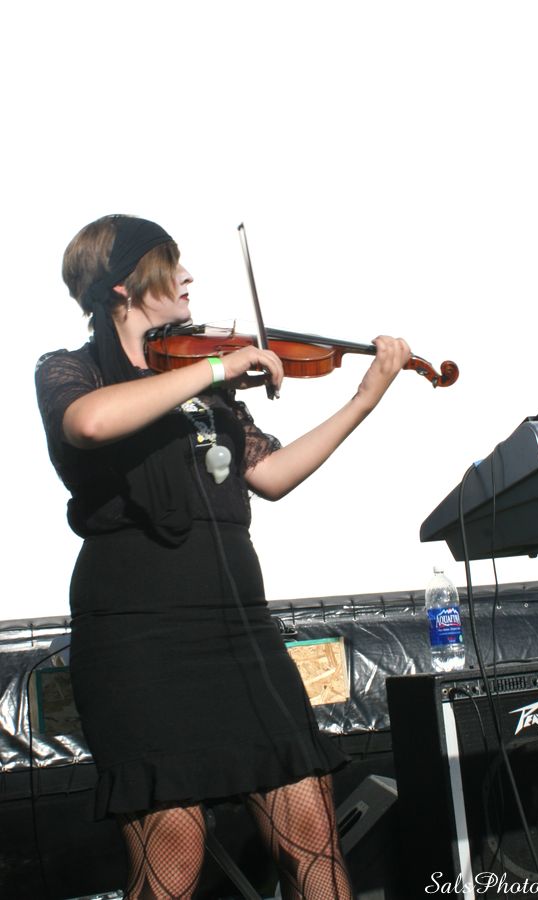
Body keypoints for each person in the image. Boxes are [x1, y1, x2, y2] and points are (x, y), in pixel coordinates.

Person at [35, 214, 411, 900]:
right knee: (173, 859)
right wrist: (218, 366)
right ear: (123, 285)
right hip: (138, 639)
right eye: (170, 265)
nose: (187, 278)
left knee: (313, 839)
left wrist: (364, 398)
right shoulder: (73, 370)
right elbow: (89, 422)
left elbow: (272, 475)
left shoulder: (204, 387)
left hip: (239, 631)